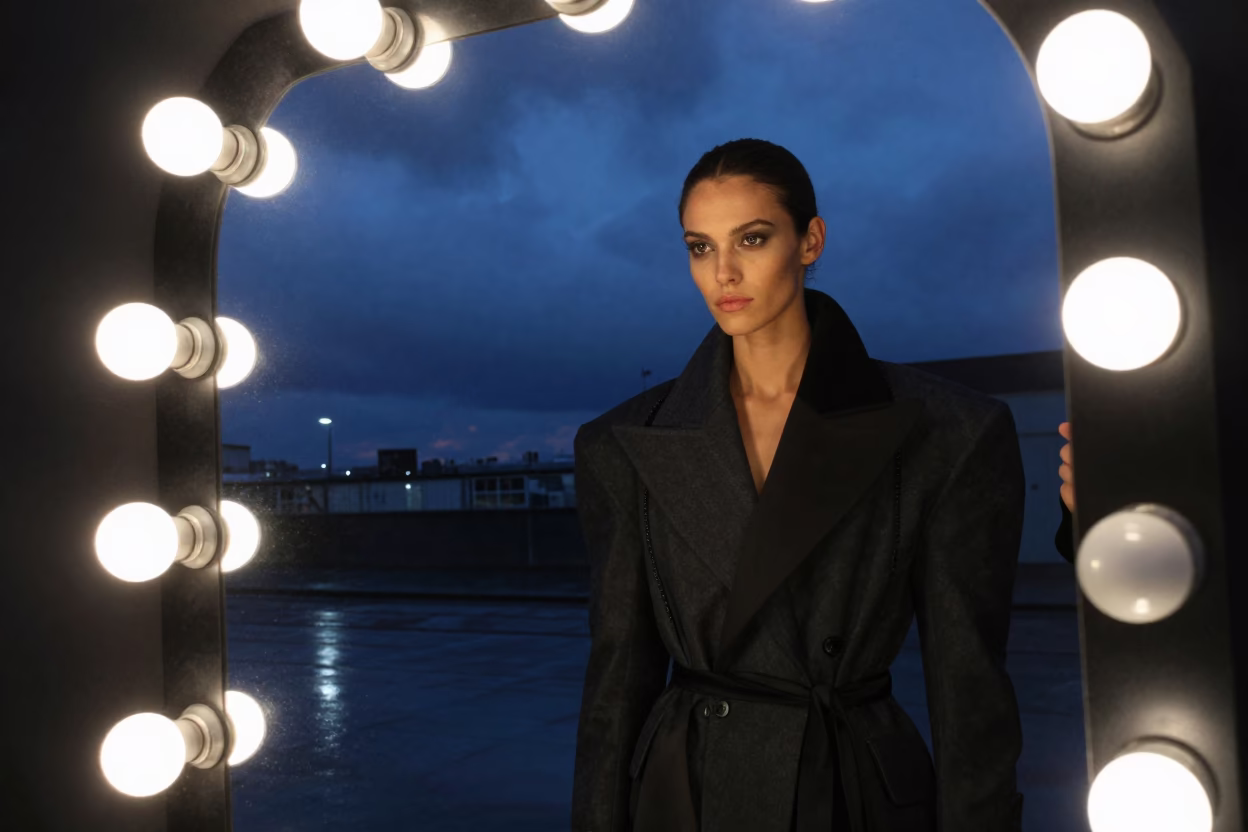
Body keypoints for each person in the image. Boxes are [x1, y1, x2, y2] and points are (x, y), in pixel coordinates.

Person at [569, 137, 1062, 832]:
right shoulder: (622, 445)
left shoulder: (948, 431)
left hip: (848, 788)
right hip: (685, 795)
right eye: (700, 247)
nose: (725, 273)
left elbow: (970, 686)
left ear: (810, 240)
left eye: (754, 238)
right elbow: (616, 685)